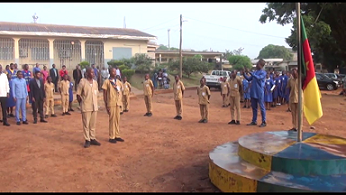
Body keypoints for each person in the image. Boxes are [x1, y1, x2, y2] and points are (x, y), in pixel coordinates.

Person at [77, 68, 101, 148]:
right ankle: (87, 139)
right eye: (91, 72)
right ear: (87, 73)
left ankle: (92, 138)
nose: (93, 73)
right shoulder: (82, 81)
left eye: (93, 72)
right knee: (86, 124)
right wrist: (81, 103)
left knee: (92, 124)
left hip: (94, 106)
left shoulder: (95, 83)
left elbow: (96, 93)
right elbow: (78, 94)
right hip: (86, 106)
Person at [102, 67, 124, 144]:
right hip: (111, 103)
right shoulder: (107, 82)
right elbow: (104, 94)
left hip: (118, 103)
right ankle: (112, 136)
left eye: (115, 71)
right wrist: (106, 104)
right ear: (110, 72)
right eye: (113, 71)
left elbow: (121, 91)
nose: (114, 73)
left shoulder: (118, 82)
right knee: (112, 120)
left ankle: (117, 135)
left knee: (117, 119)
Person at [243, 59, 267, 127]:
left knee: (262, 107)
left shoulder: (263, 73)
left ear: (261, 65)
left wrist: (250, 72)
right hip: (253, 92)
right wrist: (244, 74)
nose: (256, 65)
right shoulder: (255, 72)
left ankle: (264, 121)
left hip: (259, 92)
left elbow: (258, 78)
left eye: (258, 64)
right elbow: (249, 79)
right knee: (254, 107)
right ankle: (254, 121)